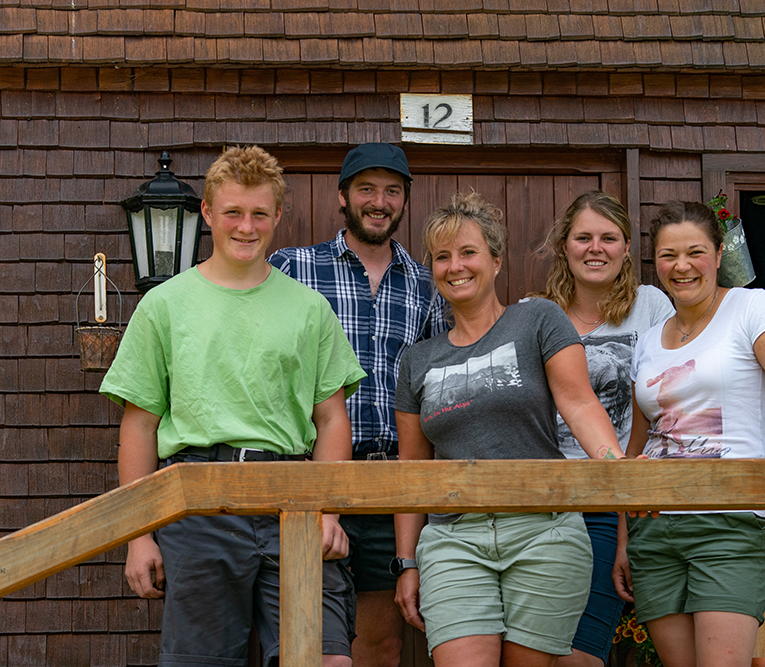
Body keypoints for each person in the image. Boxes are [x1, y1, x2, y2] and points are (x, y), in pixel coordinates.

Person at [100, 146, 367, 667]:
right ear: (207, 213)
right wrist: (138, 536)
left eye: (259, 214)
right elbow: (139, 425)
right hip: (198, 502)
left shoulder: (310, 308)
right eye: (233, 213)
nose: (247, 227)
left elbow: (332, 416)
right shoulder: (164, 306)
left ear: (277, 216)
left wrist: (330, 510)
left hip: (295, 498)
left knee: (323, 658)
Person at [614, 201, 765, 667]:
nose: (681, 266)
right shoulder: (647, 341)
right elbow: (637, 444)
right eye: (668, 255)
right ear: (655, 261)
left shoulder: (751, 306)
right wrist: (626, 537)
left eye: (695, 252)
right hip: (655, 526)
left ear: (718, 252)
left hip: (732, 517)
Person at [393, 191, 628, 667]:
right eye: (442, 257)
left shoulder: (537, 319)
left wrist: (618, 471)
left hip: (543, 531)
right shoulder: (418, 359)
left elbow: (579, 402)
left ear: (496, 261)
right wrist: (407, 562)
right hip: (454, 538)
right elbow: (412, 469)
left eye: (468, 252)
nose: (455, 266)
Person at [269, 142, 448, 667]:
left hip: (390, 483)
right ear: (342, 197)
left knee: (379, 646)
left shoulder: (426, 283)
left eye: (392, 191)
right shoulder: (291, 267)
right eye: (366, 189)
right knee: (301, 643)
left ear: (405, 200)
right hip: (307, 475)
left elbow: (436, 384)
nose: (379, 201)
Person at [531, 191, 674, 667]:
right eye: (584, 237)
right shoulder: (534, 312)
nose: (596, 248)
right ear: (564, 246)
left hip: (611, 501)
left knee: (581, 653)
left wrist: (628, 511)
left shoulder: (651, 306)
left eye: (609, 238)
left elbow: (663, 398)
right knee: (531, 650)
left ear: (628, 248)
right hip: (542, 505)